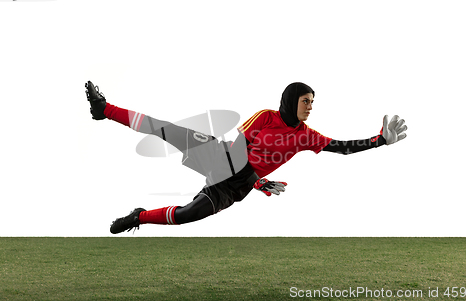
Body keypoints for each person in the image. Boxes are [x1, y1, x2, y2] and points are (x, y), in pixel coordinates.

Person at [85, 81, 407, 234]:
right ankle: (104, 110)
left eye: (313, 102)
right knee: (163, 129)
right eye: (306, 100)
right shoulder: (266, 117)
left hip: (235, 187)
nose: (310, 106)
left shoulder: (307, 136)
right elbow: (238, 147)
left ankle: (138, 217)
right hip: (219, 157)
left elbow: (341, 146)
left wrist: (380, 141)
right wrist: (258, 182)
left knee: (188, 215)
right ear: (291, 100)